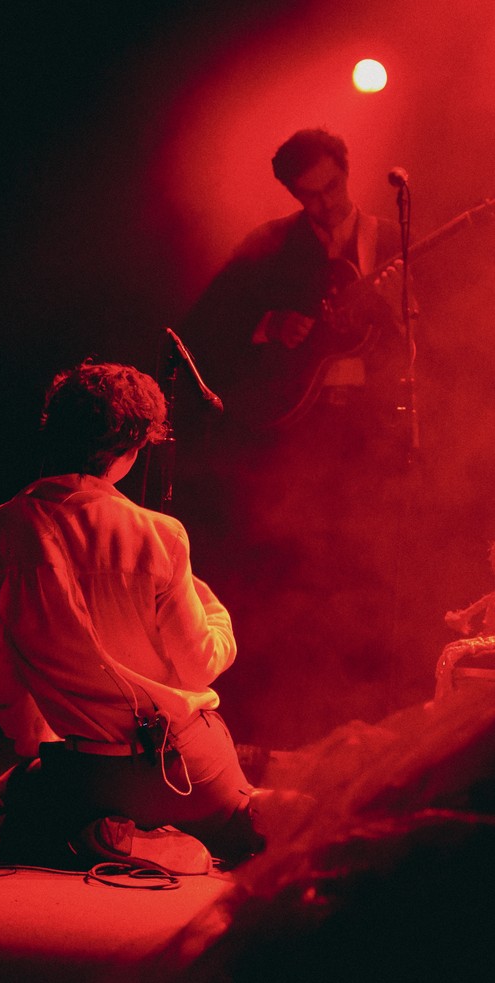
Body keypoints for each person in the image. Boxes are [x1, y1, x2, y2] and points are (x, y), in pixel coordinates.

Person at [0, 359, 265, 867]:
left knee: (6, 804)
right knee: (246, 816)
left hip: (86, 772)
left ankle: (108, 833)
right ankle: (221, 827)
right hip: (185, 770)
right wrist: (215, 612)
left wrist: (36, 751)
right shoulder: (161, 534)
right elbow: (200, 663)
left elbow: (3, 677)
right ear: (129, 448)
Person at [175, 129, 415, 748]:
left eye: (332, 188)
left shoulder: (391, 242)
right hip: (292, 441)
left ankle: (362, 725)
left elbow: (432, 336)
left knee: (366, 574)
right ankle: (279, 727)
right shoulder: (269, 247)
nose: (325, 206)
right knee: (292, 576)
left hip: (371, 436)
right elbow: (202, 325)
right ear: (289, 192)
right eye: (307, 196)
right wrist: (265, 323)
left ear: (347, 173)